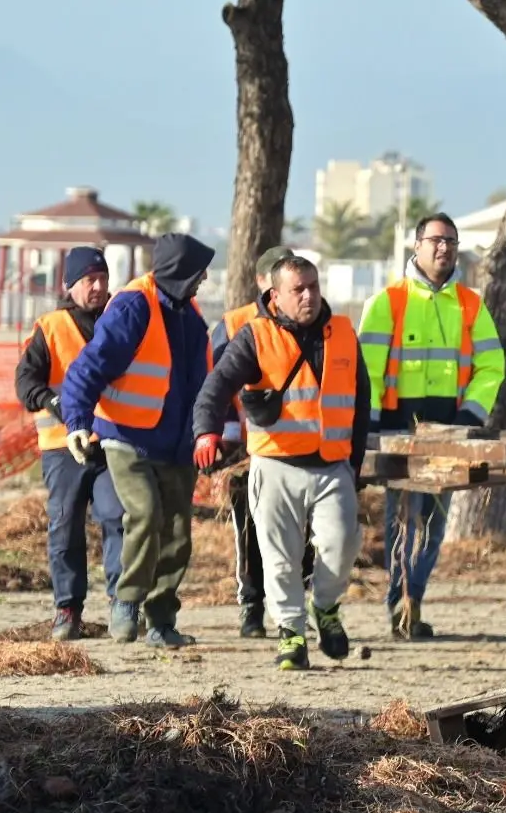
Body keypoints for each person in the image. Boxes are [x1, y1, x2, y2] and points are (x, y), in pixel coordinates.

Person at [193, 255, 371, 672]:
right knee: (279, 558)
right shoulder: (255, 336)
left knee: (343, 543)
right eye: (298, 289)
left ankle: (325, 608)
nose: (309, 295)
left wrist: (355, 465)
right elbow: (215, 387)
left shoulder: (343, 332)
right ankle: (291, 633)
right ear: (275, 295)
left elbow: (361, 402)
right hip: (275, 464)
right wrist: (206, 432)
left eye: (313, 285)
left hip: (332, 465)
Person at [60, 232, 215, 649]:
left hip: (177, 443)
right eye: (199, 272)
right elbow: (87, 368)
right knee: (145, 515)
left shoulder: (190, 313)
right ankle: (126, 602)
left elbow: (205, 381)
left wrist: (213, 431)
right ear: (180, 273)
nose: (204, 279)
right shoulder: (133, 305)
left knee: (178, 533)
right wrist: (76, 421)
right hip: (127, 436)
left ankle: (161, 620)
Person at [357, 213, 504, 639]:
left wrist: (469, 417)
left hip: (450, 433)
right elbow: (368, 370)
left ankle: (413, 601)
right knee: (404, 522)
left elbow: (492, 366)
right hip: (398, 431)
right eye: (437, 240)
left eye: (452, 242)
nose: (444, 248)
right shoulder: (388, 301)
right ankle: (400, 609)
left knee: (435, 525)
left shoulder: (470, 304)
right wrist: (370, 426)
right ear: (416, 246)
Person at [14, 247, 124, 642]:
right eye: (89, 280)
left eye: (103, 278)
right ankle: (68, 610)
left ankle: (122, 606)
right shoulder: (51, 326)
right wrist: (52, 401)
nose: (98, 286)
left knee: (118, 518)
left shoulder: (121, 319)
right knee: (65, 526)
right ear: (70, 285)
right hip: (62, 448)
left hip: (112, 442)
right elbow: (26, 384)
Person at [210, 244, 316, 638]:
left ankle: (296, 611)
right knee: (249, 530)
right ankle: (251, 608)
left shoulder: (313, 325)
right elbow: (216, 385)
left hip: (301, 449)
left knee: (304, 532)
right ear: (262, 282)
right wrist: (226, 437)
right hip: (245, 448)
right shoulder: (235, 323)